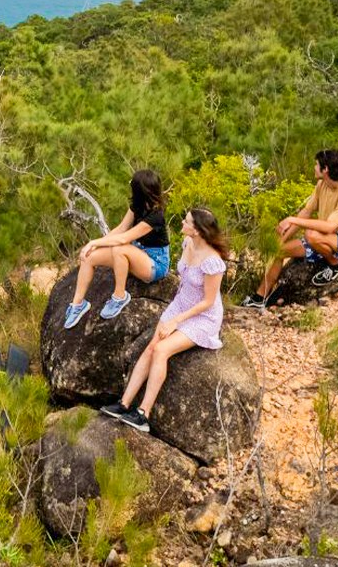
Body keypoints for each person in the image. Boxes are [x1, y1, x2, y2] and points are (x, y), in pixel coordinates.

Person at [100, 207, 229, 432]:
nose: (182, 222)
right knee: (151, 347)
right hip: (180, 304)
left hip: (202, 317)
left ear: (197, 230)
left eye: (186, 221)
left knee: (162, 351)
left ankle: (143, 415)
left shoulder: (212, 261)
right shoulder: (188, 244)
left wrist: (176, 321)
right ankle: (124, 404)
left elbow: (208, 301)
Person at [242, 148, 338, 308]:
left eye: (316, 164)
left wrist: (292, 219)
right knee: (281, 251)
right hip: (323, 242)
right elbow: (306, 212)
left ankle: (336, 265)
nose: (314, 168)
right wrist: (280, 240)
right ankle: (259, 298)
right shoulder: (322, 185)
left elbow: (329, 227)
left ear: (325, 169)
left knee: (311, 234)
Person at [63, 170, 170, 328]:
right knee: (89, 256)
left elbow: (124, 238)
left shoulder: (156, 216)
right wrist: (94, 246)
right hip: (137, 253)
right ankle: (78, 304)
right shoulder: (137, 206)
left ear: (140, 190)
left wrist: (95, 241)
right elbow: (120, 229)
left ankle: (119, 296)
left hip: (155, 263)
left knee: (119, 249)